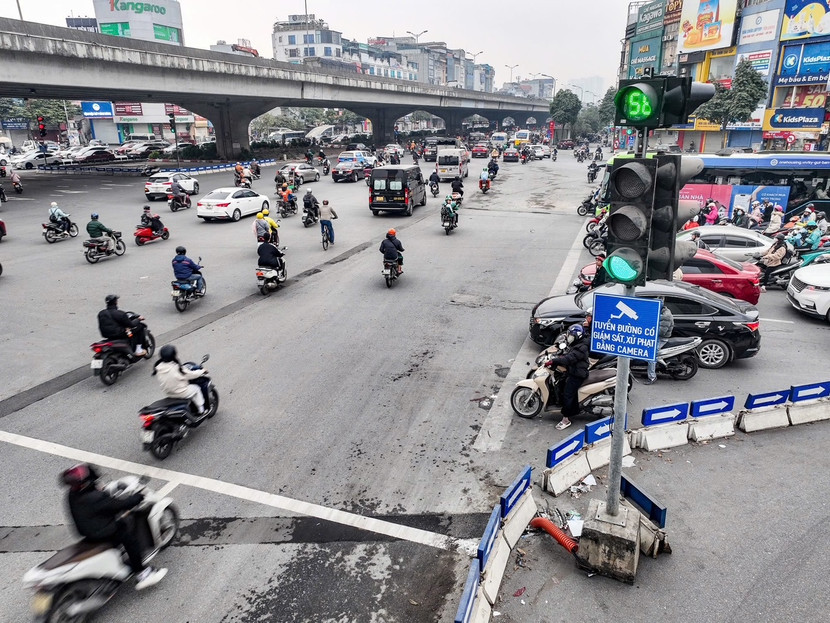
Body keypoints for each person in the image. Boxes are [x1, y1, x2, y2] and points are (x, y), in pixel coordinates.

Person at [61, 463, 167, 590]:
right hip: (102, 531)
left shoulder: (72, 494)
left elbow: (98, 505)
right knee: (128, 537)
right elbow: (120, 505)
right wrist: (138, 497)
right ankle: (143, 573)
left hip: (85, 530)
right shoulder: (95, 498)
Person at [544, 324, 590, 430]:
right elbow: (569, 355)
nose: (569, 338)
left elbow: (570, 359)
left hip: (578, 374)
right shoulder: (578, 343)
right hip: (573, 370)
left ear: (577, 336)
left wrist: (554, 361)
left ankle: (566, 419)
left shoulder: (581, 347)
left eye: (571, 336)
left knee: (568, 394)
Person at [152, 344, 206, 421]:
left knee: (189, 389)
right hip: (181, 392)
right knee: (196, 389)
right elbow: (190, 375)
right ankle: (202, 411)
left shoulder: (158, 367)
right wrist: (202, 371)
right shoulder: (175, 368)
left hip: (169, 393)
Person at [645, 302, 674, 384]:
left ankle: (652, 377)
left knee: (651, 355)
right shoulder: (661, 312)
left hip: (661, 338)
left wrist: (648, 332)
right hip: (657, 337)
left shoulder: (666, 316)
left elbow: (661, 332)